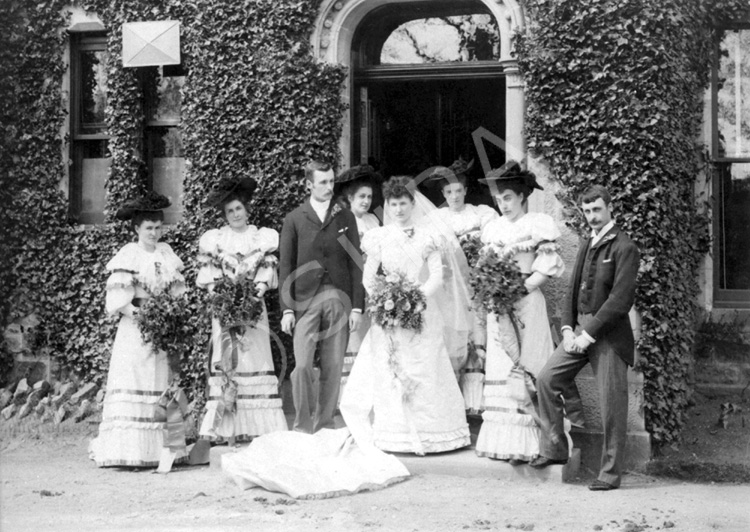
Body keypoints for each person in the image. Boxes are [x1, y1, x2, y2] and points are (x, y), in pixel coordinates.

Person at [340, 176, 472, 455]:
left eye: (403, 203)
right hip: (388, 314)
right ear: (387, 205)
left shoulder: (428, 236)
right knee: (390, 366)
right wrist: (386, 299)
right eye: (393, 203)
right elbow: (368, 276)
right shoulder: (379, 237)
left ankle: (434, 433)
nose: (399, 209)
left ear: (413, 204)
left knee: (426, 365)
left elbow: (436, 275)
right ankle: (393, 433)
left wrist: (414, 300)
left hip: (421, 310)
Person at [531, 185, 639, 492]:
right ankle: (555, 449)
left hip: (608, 337)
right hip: (577, 332)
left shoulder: (624, 247)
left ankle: (610, 473)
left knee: (611, 406)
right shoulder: (586, 243)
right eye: (587, 211)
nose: (592, 216)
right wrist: (567, 330)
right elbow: (571, 291)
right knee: (547, 379)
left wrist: (587, 335)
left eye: (597, 210)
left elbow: (620, 301)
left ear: (609, 207)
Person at [473, 163, 567, 465]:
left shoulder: (536, 224)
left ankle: (541, 444)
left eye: (510, 198)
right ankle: (509, 443)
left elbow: (547, 265)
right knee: (503, 367)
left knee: (531, 366)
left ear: (523, 197)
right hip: (499, 306)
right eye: (500, 199)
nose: (505, 204)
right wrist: (493, 290)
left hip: (526, 301)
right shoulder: (494, 228)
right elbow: (485, 265)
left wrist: (522, 288)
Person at [89, 193, 188, 467]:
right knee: (135, 378)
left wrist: (170, 314)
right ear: (136, 229)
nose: (154, 233)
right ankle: (131, 452)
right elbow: (119, 300)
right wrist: (141, 314)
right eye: (148, 228)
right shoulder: (129, 255)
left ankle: (162, 451)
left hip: (161, 328)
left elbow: (178, 292)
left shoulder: (167, 254)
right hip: (135, 328)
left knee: (160, 380)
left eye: (158, 227)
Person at [196, 177, 288, 443]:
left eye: (239, 209)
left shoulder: (261, 237)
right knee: (228, 359)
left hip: (252, 306)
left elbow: (267, 270)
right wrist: (223, 299)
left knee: (254, 358)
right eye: (230, 211)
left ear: (247, 210)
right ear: (225, 215)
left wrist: (253, 295)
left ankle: (261, 426)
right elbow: (210, 276)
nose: (236, 215)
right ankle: (227, 428)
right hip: (224, 307)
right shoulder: (216, 240)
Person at [278, 160, 364, 434]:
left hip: (339, 299)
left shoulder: (345, 217)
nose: (329, 187)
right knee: (302, 365)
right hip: (304, 302)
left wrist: (357, 307)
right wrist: (287, 310)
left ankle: (325, 425)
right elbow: (285, 266)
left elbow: (355, 264)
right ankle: (302, 426)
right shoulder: (294, 218)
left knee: (333, 366)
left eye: (331, 181)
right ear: (309, 184)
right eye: (323, 182)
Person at [426, 158, 499, 412]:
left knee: (477, 334)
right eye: (449, 192)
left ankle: (475, 405)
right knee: (452, 336)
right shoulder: (436, 218)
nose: (454, 196)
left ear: (466, 191)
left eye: (458, 191)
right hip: (449, 289)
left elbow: (491, 246)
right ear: (443, 194)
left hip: (476, 284)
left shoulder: (480, 214)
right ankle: (450, 405)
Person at [334, 165, 381, 401]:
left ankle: (369, 394)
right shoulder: (342, 220)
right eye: (361, 196)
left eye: (369, 196)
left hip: (371, 284)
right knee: (352, 337)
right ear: (350, 197)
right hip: (351, 283)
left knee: (370, 337)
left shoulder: (373, 221)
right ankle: (349, 395)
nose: (366, 201)